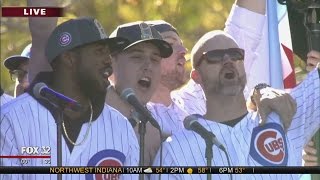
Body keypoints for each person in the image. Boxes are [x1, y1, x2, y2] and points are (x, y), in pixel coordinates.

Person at [150, 30, 320, 180]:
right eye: (214, 56)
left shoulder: (282, 114)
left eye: (235, 54)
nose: (227, 60)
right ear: (196, 76)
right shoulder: (176, 150)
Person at [0, 17, 139, 180]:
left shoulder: (121, 127)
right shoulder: (12, 119)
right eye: (100, 51)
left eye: (109, 53)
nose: (109, 60)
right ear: (69, 58)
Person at [106, 21, 173, 166]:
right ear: (111, 62)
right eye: (137, 57)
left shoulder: (159, 128)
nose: (148, 66)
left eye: (155, 59)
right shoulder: (89, 112)